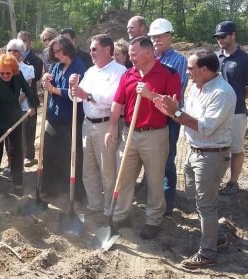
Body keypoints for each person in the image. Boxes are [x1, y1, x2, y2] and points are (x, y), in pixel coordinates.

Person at [153, 49, 235, 269]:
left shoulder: (222, 93)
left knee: (206, 205)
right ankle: (217, 236)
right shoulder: (196, 88)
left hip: (211, 155)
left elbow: (205, 127)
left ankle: (208, 253)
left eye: (191, 68)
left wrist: (176, 113)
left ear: (206, 70)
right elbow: (186, 116)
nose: (187, 72)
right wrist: (172, 111)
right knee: (195, 197)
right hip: (195, 151)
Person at [104, 37, 181, 239]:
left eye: (133, 54)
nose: (131, 58)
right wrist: (112, 126)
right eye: (129, 54)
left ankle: (153, 220)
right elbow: (117, 102)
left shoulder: (168, 74)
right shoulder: (128, 74)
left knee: (155, 180)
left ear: (148, 53)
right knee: (124, 177)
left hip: (154, 135)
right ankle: (121, 215)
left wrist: (150, 95)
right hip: (129, 132)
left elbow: (173, 111)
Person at [69, 34, 127, 216]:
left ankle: (110, 207)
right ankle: (95, 203)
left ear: (108, 50)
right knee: (88, 168)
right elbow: (76, 98)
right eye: (91, 49)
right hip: (87, 124)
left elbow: (112, 100)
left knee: (107, 170)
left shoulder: (120, 71)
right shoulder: (90, 71)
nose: (91, 53)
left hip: (106, 124)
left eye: (95, 49)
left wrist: (86, 95)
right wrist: (73, 88)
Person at [148, 18, 189, 216]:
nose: (156, 40)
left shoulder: (178, 61)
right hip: (150, 117)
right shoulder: (149, 58)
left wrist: (151, 95)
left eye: (160, 36)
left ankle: (167, 202)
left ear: (170, 37)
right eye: (153, 37)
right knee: (151, 159)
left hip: (169, 118)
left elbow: (175, 93)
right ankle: (153, 197)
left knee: (167, 159)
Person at [41, 35, 86, 197]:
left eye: (59, 51)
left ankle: (71, 191)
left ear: (67, 48)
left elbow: (75, 94)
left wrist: (53, 90)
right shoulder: (55, 66)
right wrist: (44, 80)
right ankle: (50, 188)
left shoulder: (79, 66)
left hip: (71, 118)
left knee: (69, 155)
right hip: (53, 115)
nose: (57, 54)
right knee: (50, 152)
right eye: (54, 52)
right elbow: (47, 84)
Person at [0, 54, 36, 197]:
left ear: (13, 70)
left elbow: (27, 89)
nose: (6, 75)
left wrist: (32, 105)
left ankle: (18, 183)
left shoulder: (17, 75)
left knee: (16, 150)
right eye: (2, 73)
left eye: (8, 73)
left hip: (14, 117)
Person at [213, 21, 248, 196]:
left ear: (233, 35)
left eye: (223, 36)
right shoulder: (215, 58)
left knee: (236, 148)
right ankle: (215, 179)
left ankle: (233, 182)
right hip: (215, 112)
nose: (220, 40)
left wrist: (237, 98)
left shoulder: (244, 59)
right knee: (217, 147)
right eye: (217, 37)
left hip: (237, 112)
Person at [3, 39, 35, 176]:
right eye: (9, 50)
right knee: (7, 139)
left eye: (15, 50)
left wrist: (13, 103)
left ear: (21, 53)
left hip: (20, 109)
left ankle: (20, 167)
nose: (11, 53)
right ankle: (10, 164)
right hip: (5, 109)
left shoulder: (28, 69)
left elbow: (25, 90)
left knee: (19, 138)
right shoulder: (2, 68)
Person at [17, 31, 44, 167]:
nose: (22, 43)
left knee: (29, 129)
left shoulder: (36, 60)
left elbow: (36, 78)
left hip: (29, 99)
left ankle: (30, 155)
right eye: (20, 40)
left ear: (30, 42)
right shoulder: (9, 59)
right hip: (15, 101)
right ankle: (17, 157)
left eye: (25, 40)